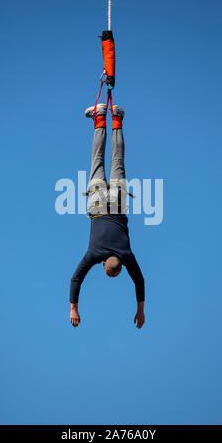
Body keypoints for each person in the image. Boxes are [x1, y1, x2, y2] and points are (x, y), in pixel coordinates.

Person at [70, 102, 145, 329]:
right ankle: (100, 116)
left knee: (117, 160)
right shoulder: (94, 253)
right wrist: (73, 308)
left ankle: (118, 117)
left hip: (119, 202)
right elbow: (76, 279)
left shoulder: (127, 254)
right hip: (98, 203)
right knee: (97, 158)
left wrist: (141, 310)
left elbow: (139, 281)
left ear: (120, 264)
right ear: (104, 264)